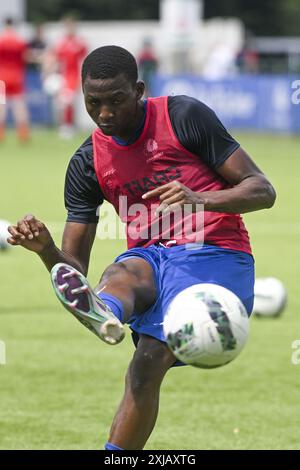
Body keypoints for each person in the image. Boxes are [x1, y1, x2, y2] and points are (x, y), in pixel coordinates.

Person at [7, 45, 276, 450]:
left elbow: (262, 190)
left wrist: (200, 198)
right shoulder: (87, 162)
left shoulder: (183, 116)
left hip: (215, 251)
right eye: (93, 103)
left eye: (116, 101)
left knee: (147, 361)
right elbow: (72, 267)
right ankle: (105, 314)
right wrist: (46, 250)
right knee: (119, 272)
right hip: (150, 256)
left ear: (138, 89)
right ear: (81, 96)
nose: (105, 114)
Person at [50, 16, 87, 139]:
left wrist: (82, 77)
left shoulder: (79, 43)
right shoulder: (61, 43)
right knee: (63, 103)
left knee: (70, 102)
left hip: (74, 76)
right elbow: (55, 60)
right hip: (64, 77)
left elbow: (84, 60)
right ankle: (65, 126)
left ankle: (69, 126)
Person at [0, 18, 30, 142]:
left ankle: (1, 135)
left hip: (2, 77)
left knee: (1, 105)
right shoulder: (19, 41)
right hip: (17, 77)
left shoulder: (1, 40)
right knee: (19, 106)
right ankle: (23, 134)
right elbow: (25, 58)